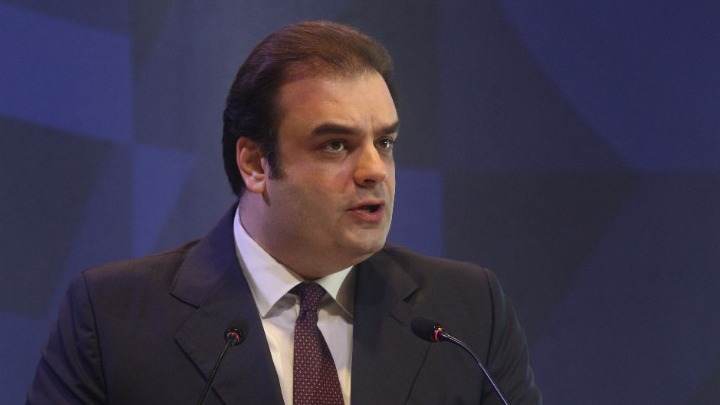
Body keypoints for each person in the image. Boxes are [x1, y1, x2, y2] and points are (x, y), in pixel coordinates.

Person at [27, 21, 541, 404]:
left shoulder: (465, 314)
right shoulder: (114, 318)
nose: (374, 171)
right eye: (336, 145)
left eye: (384, 142)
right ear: (255, 164)